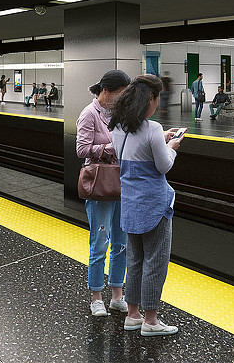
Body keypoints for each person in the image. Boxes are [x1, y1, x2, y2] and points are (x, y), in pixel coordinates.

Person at [108, 74, 182, 336]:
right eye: (157, 98)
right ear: (150, 98)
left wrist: (160, 138)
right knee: (155, 261)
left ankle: (133, 314)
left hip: (130, 204)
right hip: (154, 205)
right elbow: (164, 166)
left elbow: (137, 149)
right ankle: (151, 321)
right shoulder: (151, 129)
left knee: (135, 260)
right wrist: (171, 146)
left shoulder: (117, 128)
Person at [76, 70, 131, 318]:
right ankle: (96, 297)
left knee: (121, 243)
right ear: (106, 91)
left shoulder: (120, 114)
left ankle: (117, 296)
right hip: (100, 186)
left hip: (121, 184)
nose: (121, 99)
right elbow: (82, 149)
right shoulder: (89, 114)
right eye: (119, 94)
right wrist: (111, 147)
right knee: (99, 244)